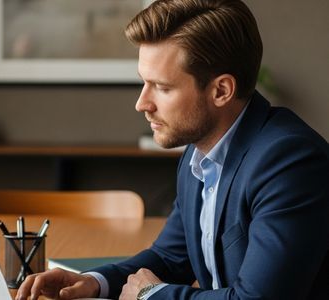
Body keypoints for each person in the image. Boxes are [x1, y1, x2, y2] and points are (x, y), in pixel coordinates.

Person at [16, 0, 329, 299]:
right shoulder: (199, 154)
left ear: (221, 90)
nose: (142, 103)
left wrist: (152, 294)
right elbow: (170, 258)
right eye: (144, 82)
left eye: (162, 88)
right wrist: (94, 282)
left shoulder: (289, 162)